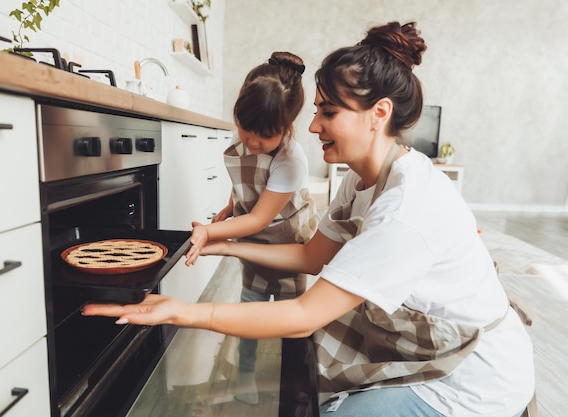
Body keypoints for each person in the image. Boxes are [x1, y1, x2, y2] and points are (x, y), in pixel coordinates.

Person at [83, 21, 535, 417]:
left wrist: (183, 312)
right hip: (425, 348)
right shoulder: (359, 181)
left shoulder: (407, 209)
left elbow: (303, 315)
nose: (314, 125)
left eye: (328, 111)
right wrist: (226, 245)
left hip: (471, 378)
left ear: (379, 113)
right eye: (317, 109)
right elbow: (310, 255)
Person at [184, 51, 319, 404]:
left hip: (287, 245)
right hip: (253, 243)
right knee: (249, 310)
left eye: (266, 136)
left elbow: (260, 217)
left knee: (291, 322)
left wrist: (211, 232)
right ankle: (245, 377)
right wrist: (230, 207)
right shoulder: (244, 142)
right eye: (247, 130)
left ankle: (294, 384)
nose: (253, 142)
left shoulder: (291, 161)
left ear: (287, 126)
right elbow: (246, 186)